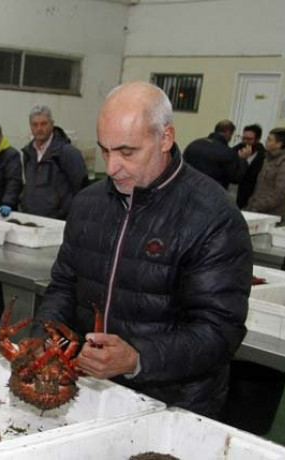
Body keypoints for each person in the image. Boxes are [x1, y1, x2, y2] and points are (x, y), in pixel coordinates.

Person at [35, 82, 252, 418]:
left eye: (127, 152)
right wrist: (48, 334)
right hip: (91, 391)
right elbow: (64, 286)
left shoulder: (213, 217)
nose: (111, 167)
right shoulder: (88, 203)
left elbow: (219, 332)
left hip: (173, 405)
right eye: (105, 151)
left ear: (165, 138)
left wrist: (137, 358)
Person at [20, 105, 87, 219]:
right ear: (30, 127)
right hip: (32, 219)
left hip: (58, 221)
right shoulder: (28, 153)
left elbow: (81, 189)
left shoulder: (68, 153)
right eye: (35, 124)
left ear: (52, 124)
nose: (39, 128)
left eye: (44, 124)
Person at [245, 128, 285, 218]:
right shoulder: (268, 159)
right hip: (257, 211)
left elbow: (280, 193)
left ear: (279, 144)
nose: (266, 142)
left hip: (272, 215)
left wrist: (258, 206)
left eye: (269, 139)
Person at [183, 120, 252, 189]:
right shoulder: (227, 152)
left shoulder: (194, 144)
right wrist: (243, 159)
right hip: (212, 193)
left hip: (188, 188)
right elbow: (235, 178)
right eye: (231, 134)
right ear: (228, 133)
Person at [234, 124, 267, 209]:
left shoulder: (262, 155)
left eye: (249, 139)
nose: (245, 141)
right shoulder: (237, 149)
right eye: (243, 138)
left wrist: (244, 160)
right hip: (239, 191)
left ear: (257, 139)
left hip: (254, 192)